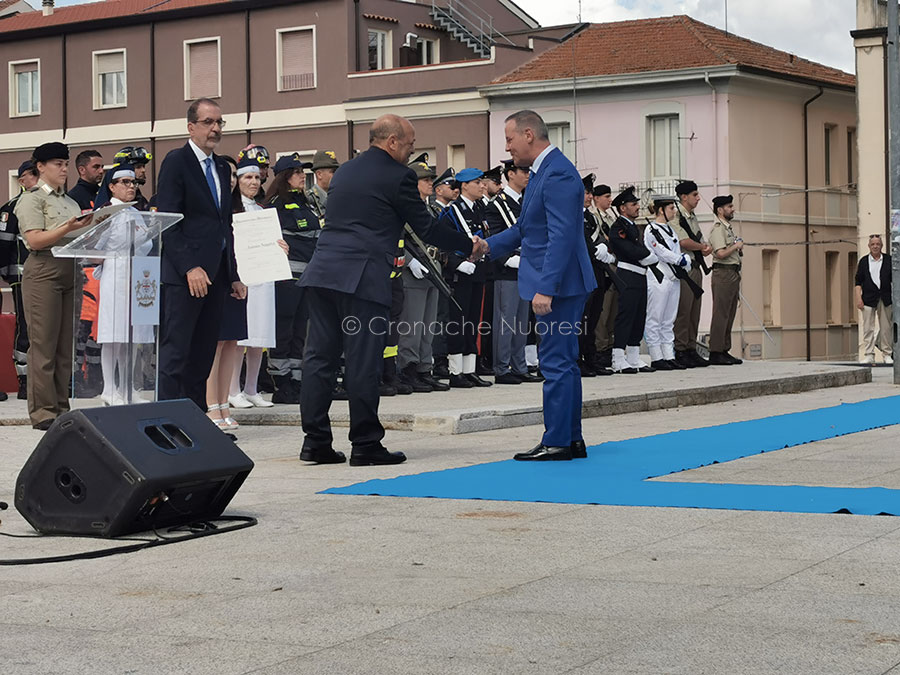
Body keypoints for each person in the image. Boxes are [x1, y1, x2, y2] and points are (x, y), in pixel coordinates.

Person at [299, 113, 481, 466]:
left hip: (322, 273)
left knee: (319, 359)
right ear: (392, 141)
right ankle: (365, 443)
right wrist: (468, 244)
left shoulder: (346, 171)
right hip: (363, 278)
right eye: (411, 143)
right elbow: (426, 229)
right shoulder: (399, 177)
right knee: (363, 361)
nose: (412, 150)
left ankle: (315, 442)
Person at [484, 110, 596, 461]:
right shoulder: (544, 171)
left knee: (555, 362)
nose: (507, 147)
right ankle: (570, 438)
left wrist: (545, 288)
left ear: (529, 134)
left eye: (509, 139)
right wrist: (487, 245)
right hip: (559, 281)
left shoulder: (558, 173)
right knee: (563, 360)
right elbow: (524, 229)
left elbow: (562, 236)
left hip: (559, 285)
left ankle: (558, 440)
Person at [155, 98, 246, 412]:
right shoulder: (176, 162)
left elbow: (225, 224)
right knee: (176, 353)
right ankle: (166, 423)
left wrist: (232, 275)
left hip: (216, 276)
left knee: (203, 353)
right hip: (186, 276)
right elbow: (168, 221)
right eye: (209, 122)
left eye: (220, 122)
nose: (216, 129)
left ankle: (195, 424)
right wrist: (189, 266)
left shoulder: (221, 166)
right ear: (191, 126)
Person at [16, 142, 93, 429]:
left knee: (64, 347)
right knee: (44, 345)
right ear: (41, 167)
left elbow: (77, 235)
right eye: (57, 164)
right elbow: (35, 240)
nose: (63, 169)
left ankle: (62, 407)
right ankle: (43, 412)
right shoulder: (32, 199)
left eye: (65, 163)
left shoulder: (69, 202)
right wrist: (68, 228)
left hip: (71, 267)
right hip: (44, 268)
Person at [227, 157, 288, 410]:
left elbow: (272, 242)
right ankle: (232, 389)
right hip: (242, 278)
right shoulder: (231, 210)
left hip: (263, 278)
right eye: (246, 177)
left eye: (255, 177)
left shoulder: (263, 212)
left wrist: (281, 247)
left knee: (258, 336)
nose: (253, 181)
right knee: (239, 338)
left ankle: (252, 388)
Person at [93, 165, 155, 405]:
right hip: (115, 275)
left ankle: (127, 387)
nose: (131, 186)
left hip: (138, 276)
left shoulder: (136, 213)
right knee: (113, 335)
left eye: (133, 183)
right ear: (111, 186)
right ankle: (109, 388)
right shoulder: (106, 212)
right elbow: (94, 250)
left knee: (132, 335)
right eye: (125, 182)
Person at [265, 153, 319, 404]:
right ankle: (281, 382)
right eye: (297, 172)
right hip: (286, 278)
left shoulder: (307, 203)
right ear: (286, 176)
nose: (302, 176)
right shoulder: (275, 204)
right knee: (283, 330)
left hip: (306, 277)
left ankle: (297, 380)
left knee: (300, 331)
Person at [397, 157, 449, 393]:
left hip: (432, 269)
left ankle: (423, 369)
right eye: (426, 180)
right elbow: (396, 240)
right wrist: (410, 262)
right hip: (412, 272)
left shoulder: (427, 208)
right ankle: (408, 369)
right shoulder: (404, 208)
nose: (430, 183)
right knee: (412, 325)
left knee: (429, 326)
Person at [484, 159, 536, 385]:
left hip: (526, 268)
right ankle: (502, 368)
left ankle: (519, 365)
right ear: (510, 174)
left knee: (522, 322)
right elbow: (493, 238)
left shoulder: (527, 202)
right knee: (506, 322)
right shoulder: (496, 206)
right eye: (523, 171)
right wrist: (509, 260)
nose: (527, 175)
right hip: (507, 269)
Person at [441, 168, 492, 388]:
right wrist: (457, 263)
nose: (482, 186)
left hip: (477, 271)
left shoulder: (479, 209)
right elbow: (443, 243)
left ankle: (469, 369)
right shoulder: (452, 212)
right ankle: (455, 371)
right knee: (458, 322)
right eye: (477, 182)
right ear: (464, 186)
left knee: (473, 321)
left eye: (482, 182)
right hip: (459, 274)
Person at [205, 155, 246, 430]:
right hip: (216, 278)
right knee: (215, 343)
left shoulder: (242, 208)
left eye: (234, 175)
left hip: (239, 279)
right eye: (227, 174)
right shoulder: (213, 207)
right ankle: (211, 405)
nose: (231, 180)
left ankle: (224, 403)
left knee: (232, 341)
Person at [607, 186, 658, 374]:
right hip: (627, 275)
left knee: (639, 316)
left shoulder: (631, 226)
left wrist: (645, 255)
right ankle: (618, 358)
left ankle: (634, 357)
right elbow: (626, 248)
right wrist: (647, 254)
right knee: (626, 316)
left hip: (639, 274)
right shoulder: (618, 227)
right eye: (633, 204)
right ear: (622, 208)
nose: (637, 207)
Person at [0, 160, 39, 400]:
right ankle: (24, 381)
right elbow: (3, 245)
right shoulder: (11, 208)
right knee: (25, 329)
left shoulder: (51, 203)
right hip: (22, 277)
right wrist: (7, 274)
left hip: (50, 276)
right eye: (32, 174)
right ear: (21, 179)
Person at [643, 194, 690, 370]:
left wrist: (684, 259)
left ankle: (669, 355)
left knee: (669, 319)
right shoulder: (651, 229)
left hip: (673, 278)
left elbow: (675, 249)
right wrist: (679, 259)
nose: (674, 211)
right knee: (655, 317)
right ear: (661, 210)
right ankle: (656, 356)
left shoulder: (670, 230)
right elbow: (660, 251)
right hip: (658, 277)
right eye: (671, 208)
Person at [671, 180, 711, 368]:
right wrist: (702, 246)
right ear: (684, 196)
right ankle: (680, 349)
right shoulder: (677, 216)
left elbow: (698, 238)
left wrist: (704, 246)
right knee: (684, 310)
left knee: (695, 310)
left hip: (696, 267)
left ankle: (690, 347)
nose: (698, 198)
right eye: (694, 195)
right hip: (684, 269)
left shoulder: (692, 216)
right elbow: (683, 242)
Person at [707, 194, 744, 365]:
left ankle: (724, 349)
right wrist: (735, 246)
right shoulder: (718, 229)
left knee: (729, 313)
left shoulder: (728, 228)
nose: (732, 209)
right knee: (721, 313)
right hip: (723, 273)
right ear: (720, 210)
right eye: (729, 207)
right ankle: (715, 351)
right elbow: (720, 253)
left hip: (733, 273)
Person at [429, 167, 457, 379]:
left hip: (446, 268)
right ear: (438, 190)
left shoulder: (449, 211)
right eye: (450, 186)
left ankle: (441, 358)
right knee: (436, 318)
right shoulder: (433, 211)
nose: (454, 189)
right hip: (435, 268)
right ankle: (437, 360)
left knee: (444, 317)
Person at [855, 234, 893, 365]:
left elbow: (894, 281)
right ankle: (869, 354)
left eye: (878, 244)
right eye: (873, 244)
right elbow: (858, 282)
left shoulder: (889, 260)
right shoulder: (864, 261)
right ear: (869, 246)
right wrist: (858, 299)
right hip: (867, 298)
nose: (875, 246)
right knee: (867, 327)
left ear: (881, 246)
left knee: (886, 327)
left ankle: (887, 354)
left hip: (885, 298)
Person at [591, 183, 618, 371]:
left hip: (615, 263)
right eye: (606, 196)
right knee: (603, 311)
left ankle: (608, 346)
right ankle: (601, 349)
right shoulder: (595, 217)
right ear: (596, 198)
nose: (609, 200)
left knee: (613, 311)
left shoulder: (610, 217)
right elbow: (603, 240)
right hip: (604, 263)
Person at [307, 149, 340, 218]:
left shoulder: (339, 196)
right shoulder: (309, 199)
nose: (337, 174)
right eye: (333, 171)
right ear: (319, 174)